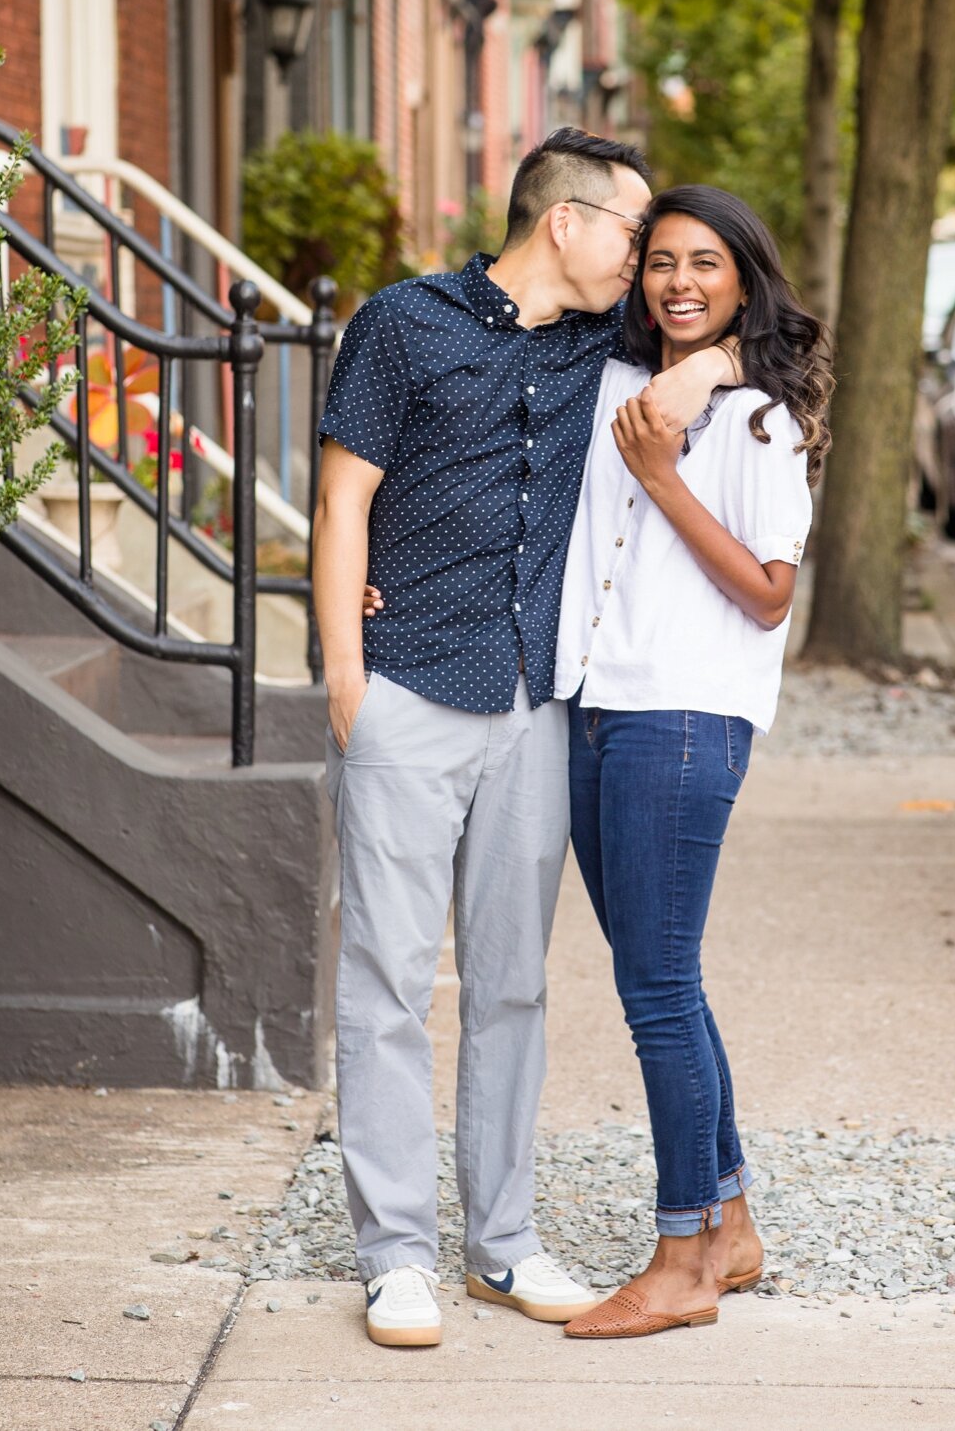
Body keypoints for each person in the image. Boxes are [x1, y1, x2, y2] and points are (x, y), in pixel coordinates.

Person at [311, 128, 738, 1350]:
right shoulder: (402, 323)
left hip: (532, 705)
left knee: (510, 984)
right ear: (565, 221)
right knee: (386, 984)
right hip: (403, 689)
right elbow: (342, 498)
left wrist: (702, 374)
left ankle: (500, 1246)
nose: (649, 263)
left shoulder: (607, 342)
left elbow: (758, 324)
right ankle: (396, 1257)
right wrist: (344, 670)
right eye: (631, 234)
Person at [555, 186, 829, 1340]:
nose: (676, 281)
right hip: (594, 708)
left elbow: (770, 597)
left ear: (742, 280)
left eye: (703, 263)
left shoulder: (761, 420)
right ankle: (732, 1223)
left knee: (656, 991)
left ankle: (680, 1263)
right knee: (662, 975)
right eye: (659, 260)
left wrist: (667, 475)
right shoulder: (614, 384)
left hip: (685, 719)